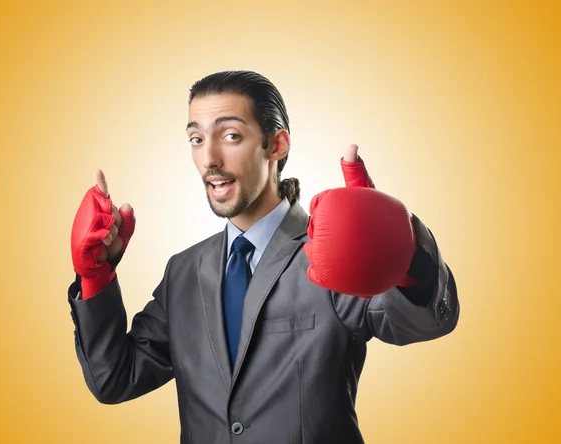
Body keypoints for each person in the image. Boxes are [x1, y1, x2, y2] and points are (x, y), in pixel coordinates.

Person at [68, 70, 459, 444]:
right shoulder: (183, 272)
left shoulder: (333, 252)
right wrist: (95, 276)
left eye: (231, 135)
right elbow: (115, 380)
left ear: (277, 145)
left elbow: (427, 321)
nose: (210, 159)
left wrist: (402, 250)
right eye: (196, 139)